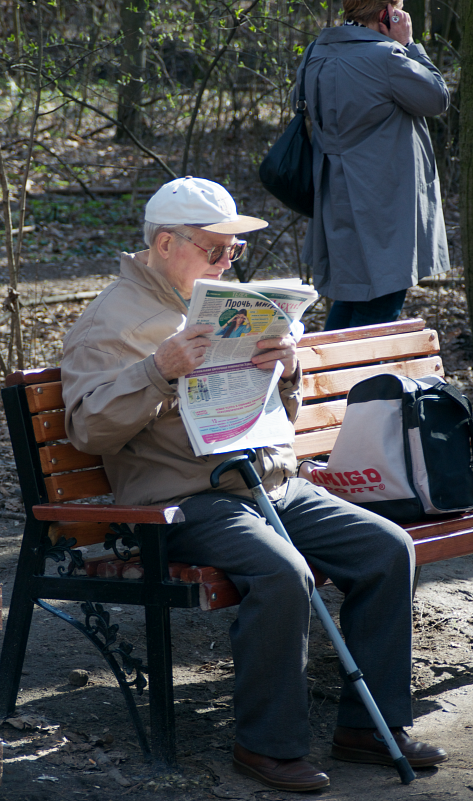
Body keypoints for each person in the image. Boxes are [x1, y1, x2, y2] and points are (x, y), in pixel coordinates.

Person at [61, 176, 447, 793]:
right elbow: (88, 430)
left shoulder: (222, 300)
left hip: (266, 480)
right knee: (281, 573)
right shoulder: (110, 321)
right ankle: (268, 745)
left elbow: (276, 416)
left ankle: (372, 729)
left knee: (385, 548)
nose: (227, 262)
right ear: (165, 243)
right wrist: (159, 371)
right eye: (215, 249)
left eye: (233, 252)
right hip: (184, 498)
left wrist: (287, 370)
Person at [294, 0, 451, 331]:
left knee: (351, 298)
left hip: (336, 196)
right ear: (386, 15)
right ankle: (353, 381)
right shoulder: (388, 57)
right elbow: (437, 97)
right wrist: (409, 45)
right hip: (385, 205)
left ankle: (328, 377)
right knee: (379, 307)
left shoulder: (316, 53)